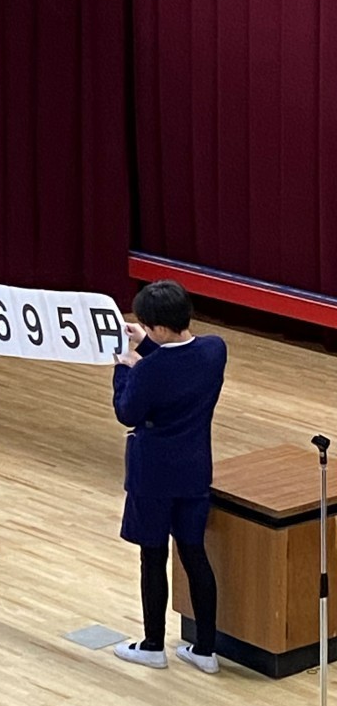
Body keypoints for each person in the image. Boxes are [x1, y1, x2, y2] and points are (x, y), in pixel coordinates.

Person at [112, 280, 226, 673]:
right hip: (194, 470)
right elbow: (179, 364)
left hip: (152, 475)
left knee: (153, 556)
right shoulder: (215, 350)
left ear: (159, 327)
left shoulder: (148, 371)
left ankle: (152, 645)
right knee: (194, 554)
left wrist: (124, 367)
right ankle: (205, 650)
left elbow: (127, 411)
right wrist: (146, 344)